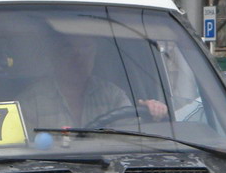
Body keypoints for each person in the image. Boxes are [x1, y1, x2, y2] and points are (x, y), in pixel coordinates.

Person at [21, 33, 169, 130]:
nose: (79, 57)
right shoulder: (31, 101)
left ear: (94, 54)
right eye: (69, 49)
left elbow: (134, 139)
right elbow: (21, 152)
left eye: (86, 48)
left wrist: (151, 114)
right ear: (55, 56)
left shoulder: (112, 96)